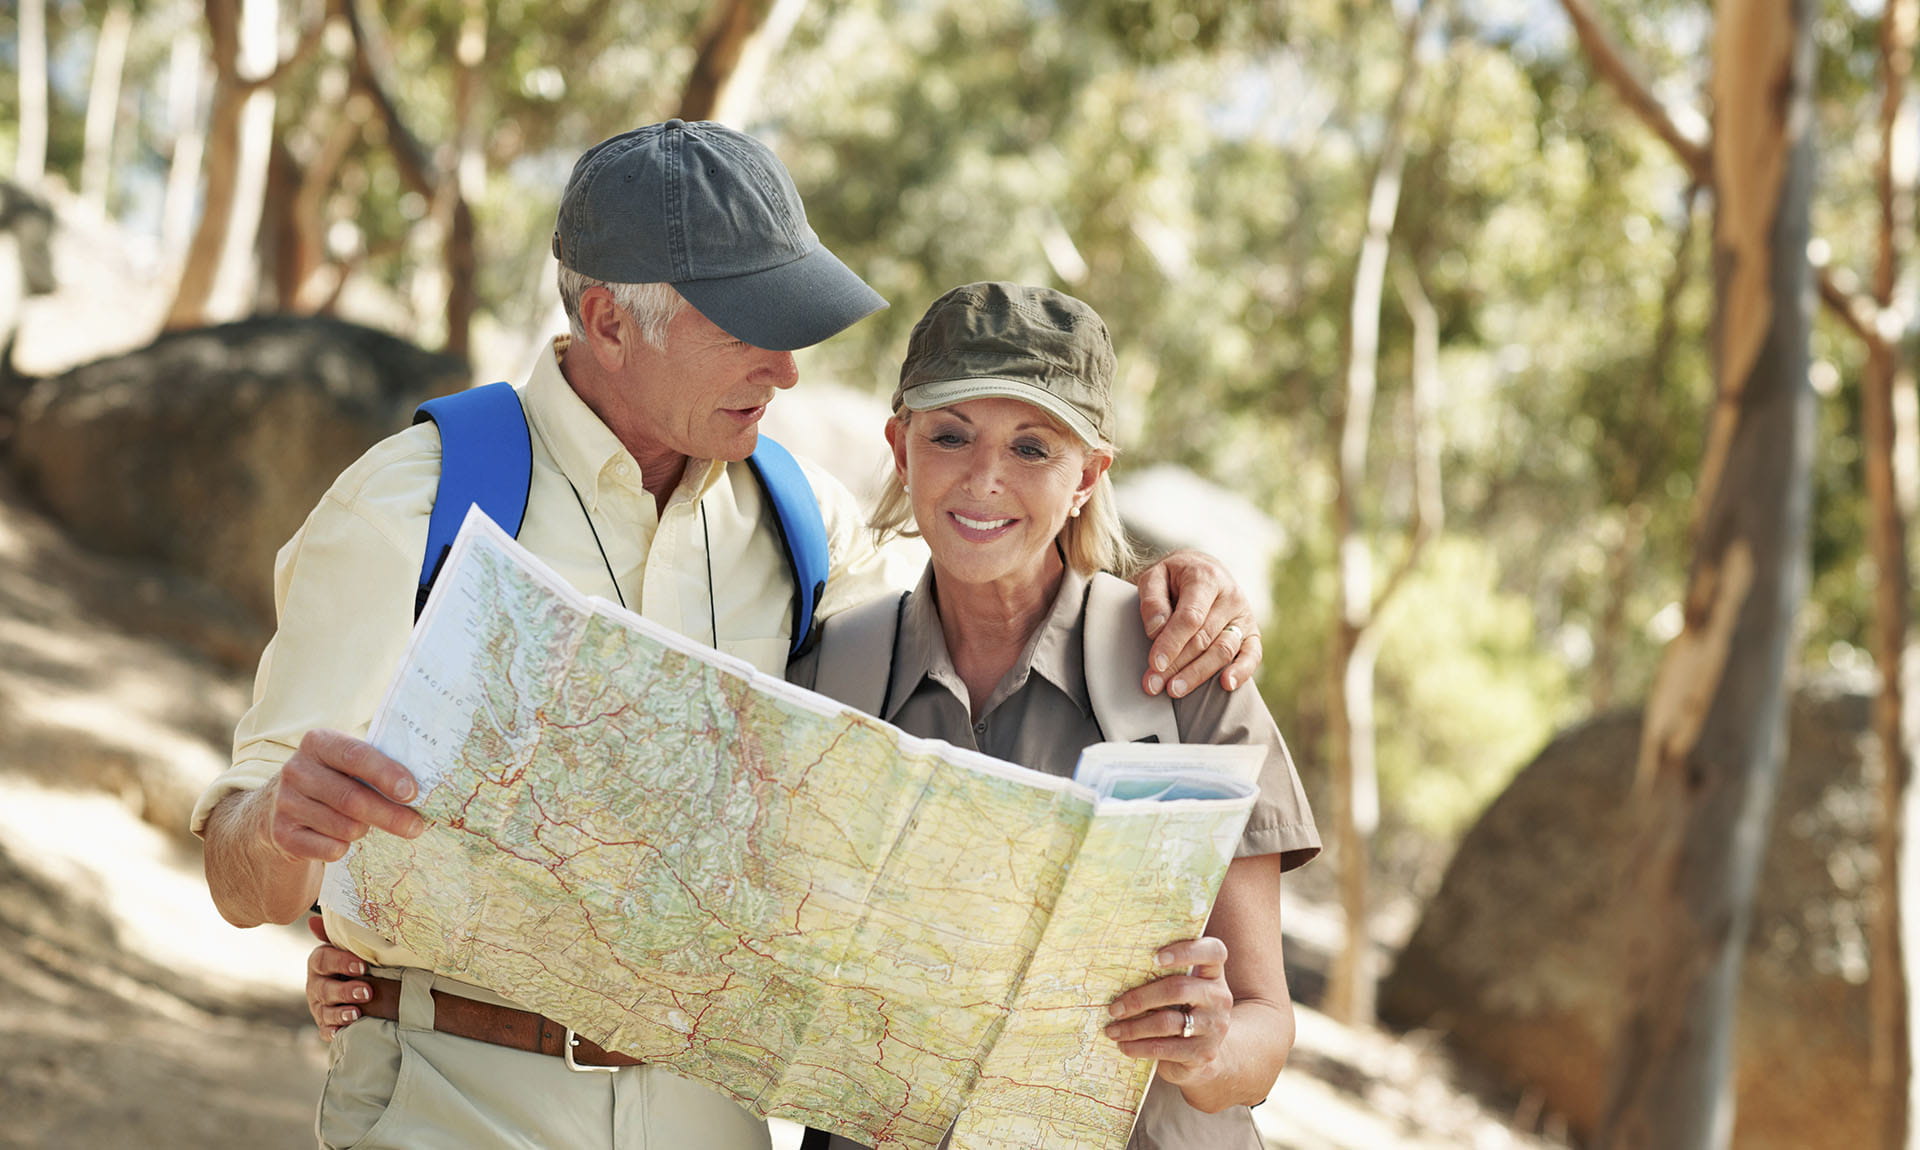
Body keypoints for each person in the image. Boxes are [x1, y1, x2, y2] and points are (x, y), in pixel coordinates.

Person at [196, 119, 1265, 1150]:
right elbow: (243, 884)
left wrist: (1168, 589)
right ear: (610, 322)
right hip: (457, 1109)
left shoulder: (804, 523)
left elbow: (992, 600)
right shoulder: (404, 509)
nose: (787, 370)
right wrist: (282, 825)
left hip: (716, 1119)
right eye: (747, 330)